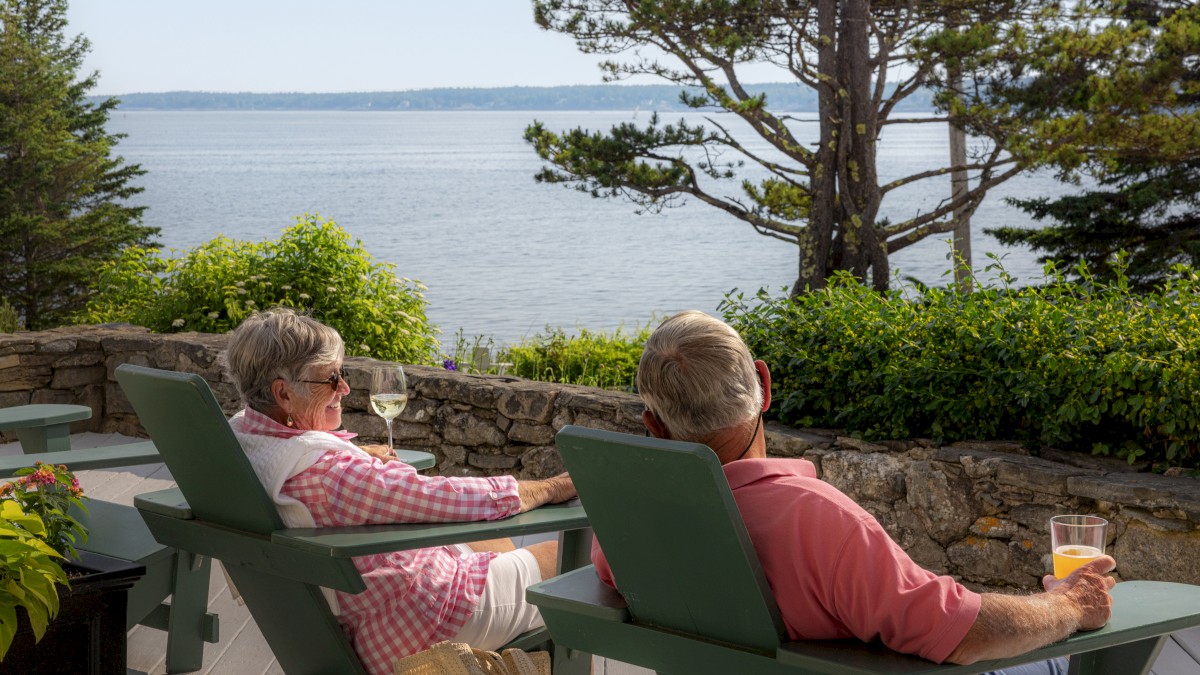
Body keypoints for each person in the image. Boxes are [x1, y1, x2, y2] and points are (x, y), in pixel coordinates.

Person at [592, 310, 1116, 674]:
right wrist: (1069, 606)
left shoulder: (626, 521)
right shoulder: (818, 521)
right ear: (764, 385)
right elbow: (963, 634)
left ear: (654, 426)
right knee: (1063, 658)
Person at [224, 308, 576, 675]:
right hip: (415, 621)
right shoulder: (334, 476)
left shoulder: (243, 438)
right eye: (329, 380)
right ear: (283, 393)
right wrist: (552, 486)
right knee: (565, 559)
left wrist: (357, 451)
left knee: (499, 545)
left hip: (369, 602)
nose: (344, 387)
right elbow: (442, 498)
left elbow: (319, 467)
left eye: (341, 374)